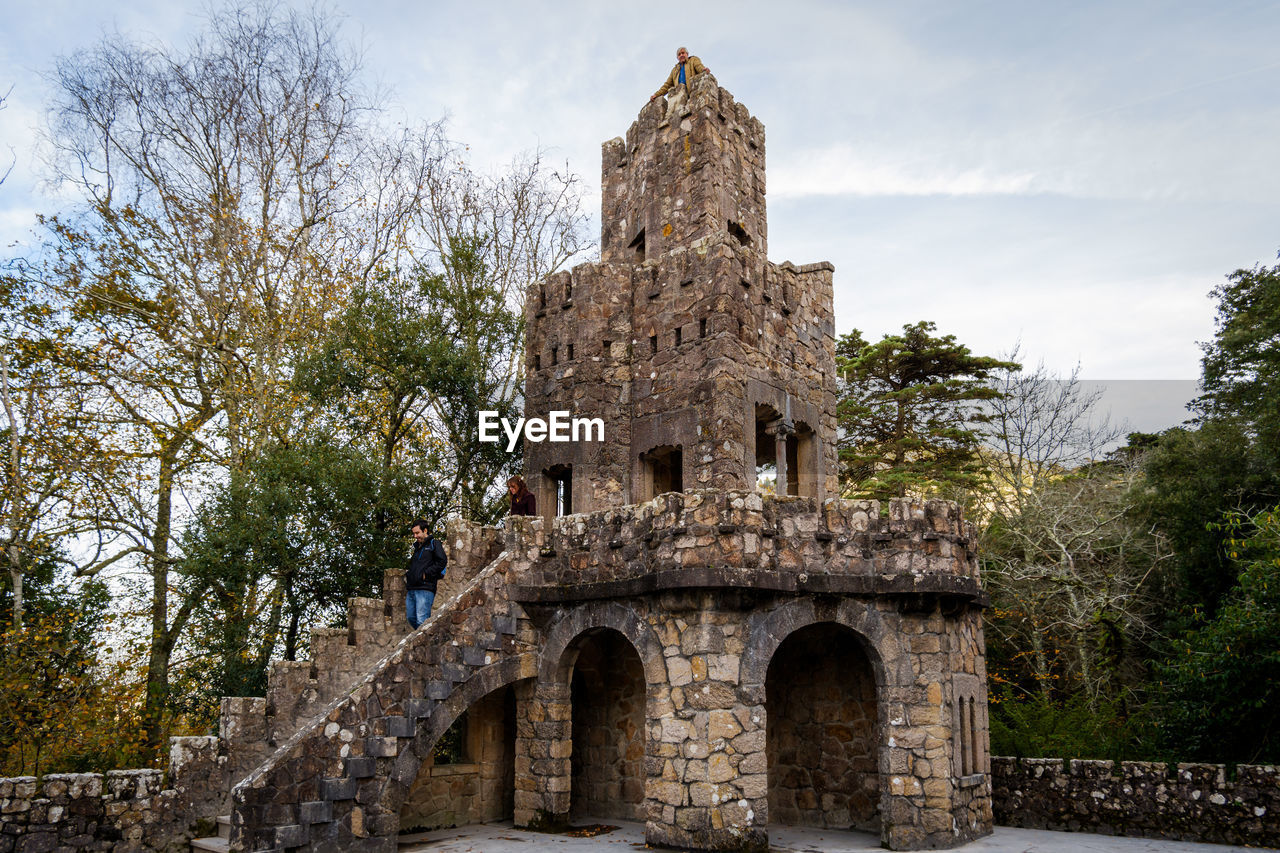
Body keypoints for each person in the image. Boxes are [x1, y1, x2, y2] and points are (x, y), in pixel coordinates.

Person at [405, 519, 447, 629]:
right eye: (414, 533)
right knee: (411, 617)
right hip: (412, 588)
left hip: (425, 588)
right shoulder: (417, 548)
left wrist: (426, 574)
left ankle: (422, 643)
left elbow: (442, 561)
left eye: (417, 533)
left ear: (425, 530)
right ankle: (421, 641)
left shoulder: (434, 544)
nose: (415, 536)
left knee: (421, 620)